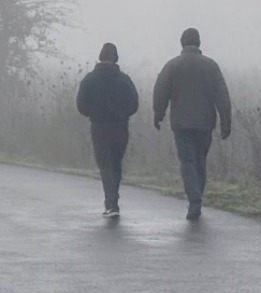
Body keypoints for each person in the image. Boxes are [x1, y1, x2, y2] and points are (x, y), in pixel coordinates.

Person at [152, 27, 231, 221]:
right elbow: (222, 95)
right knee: (199, 160)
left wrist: (158, 114)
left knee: (187, 161)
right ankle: (198, 196)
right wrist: (225, 121)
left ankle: (194, 199)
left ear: (181, 43)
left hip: (181, 123)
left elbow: (160, 91)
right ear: (199, 43)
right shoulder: (211, 66)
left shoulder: (172, 65)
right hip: (205, 123)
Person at [77, 42, 139, 218]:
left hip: (99, 126)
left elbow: (81, 105)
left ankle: (111, 202)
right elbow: (134, 104)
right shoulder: (124, 80)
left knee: (104, 164)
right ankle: (114, 198)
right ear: (116, 58)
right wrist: (122, 114)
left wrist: (93, 113)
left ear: (100, 57)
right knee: (116, 162)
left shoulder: (90, 79)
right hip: (120, 126)